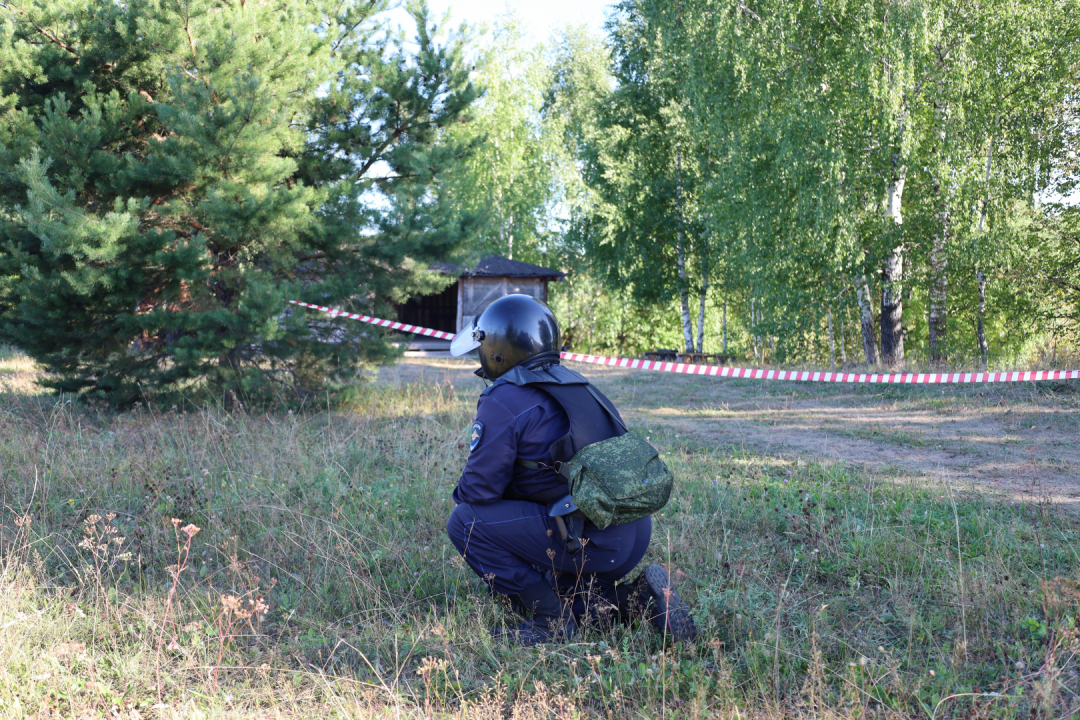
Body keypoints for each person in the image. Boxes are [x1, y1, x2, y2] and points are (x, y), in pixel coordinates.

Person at [446, 293, 696, 646]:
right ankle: (640, 600)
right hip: (630, 532)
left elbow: (477, 492)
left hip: (587, 537)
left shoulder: (502, 398)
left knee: (465, 522)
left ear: (496, 350)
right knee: (569, 597)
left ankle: (550, 623)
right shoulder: (577, 383)